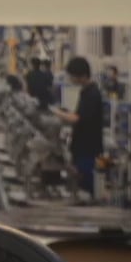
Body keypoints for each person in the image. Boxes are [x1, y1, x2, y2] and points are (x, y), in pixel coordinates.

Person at [51, 56, 105, 202]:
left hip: (88, 148)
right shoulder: (85, 91)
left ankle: (90, 213)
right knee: (81, 181)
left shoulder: (92, 94)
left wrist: (56, 112)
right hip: (81, 145)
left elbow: (77, 118)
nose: (70, 79)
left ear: (81, 75)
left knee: (87, 184)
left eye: (72, 76)